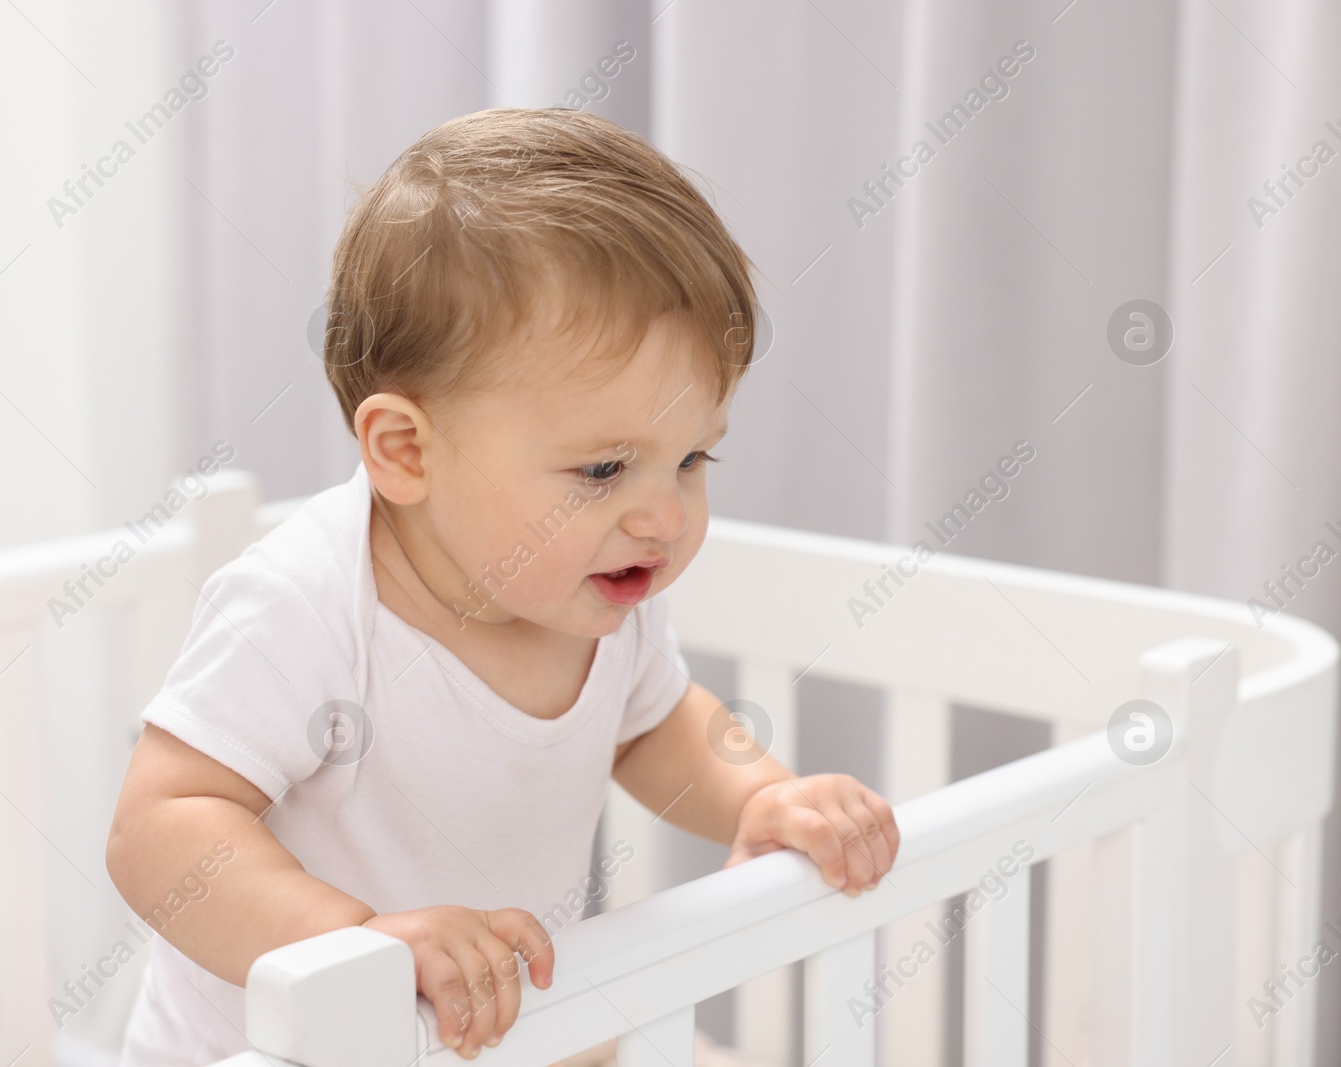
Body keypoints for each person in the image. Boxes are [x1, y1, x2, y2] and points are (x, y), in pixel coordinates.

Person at [106, 106, 899, 1067]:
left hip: (489, 1033)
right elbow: (161, 827)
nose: (662, 515)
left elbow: (655, 726)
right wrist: (351, 938)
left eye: (691, 457)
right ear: (405, 450)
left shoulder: (596, 596)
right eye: (604, 469)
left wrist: (760, 797)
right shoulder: (304, 603)